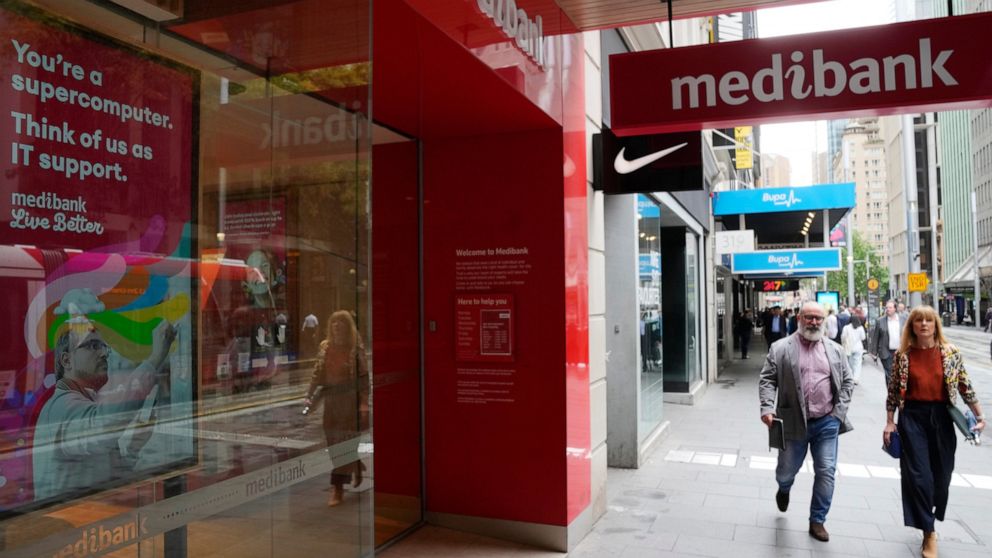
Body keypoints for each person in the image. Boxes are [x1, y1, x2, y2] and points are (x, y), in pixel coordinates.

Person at [33, 317, 176, 501]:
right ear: (67, 360)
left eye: (104, 347)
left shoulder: (84, 404)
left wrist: (134, 447)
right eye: (92, 346)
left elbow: (111, 478)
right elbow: (103, 428)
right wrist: (154, 359)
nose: (104, 354)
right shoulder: (61, 407)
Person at [883, 305, 986, 558]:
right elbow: (894, 391)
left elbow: (965, 385)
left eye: (929, 321)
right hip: (912, 419)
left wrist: (980, 416)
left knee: (942, 476)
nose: (924, 325)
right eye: (919, 321)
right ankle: (928, 532)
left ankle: (930, 515)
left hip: (942, 417)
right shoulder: (903, 355)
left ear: (936, 325)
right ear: (913, 326)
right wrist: (889, 421)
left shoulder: (950, 353)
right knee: (919, 476)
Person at [759, 301, 854, 543]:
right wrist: (767, 408)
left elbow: (847, 383)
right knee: (786, 469)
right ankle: (784, 487)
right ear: (799, 318)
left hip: (827, 422)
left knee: (826, 471)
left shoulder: (835, 350)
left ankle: (817, 520)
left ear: (824, 321)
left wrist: (838, 414)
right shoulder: (781, 348)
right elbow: (768, 379)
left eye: (818, 318)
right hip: (792, 422)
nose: (813, 322)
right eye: (809, 317)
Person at [304, 310, 370, 507]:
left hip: (349, 401)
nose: (337, 326)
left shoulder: (355, 349)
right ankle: (355, 464)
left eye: (341, 322)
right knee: (334, 444)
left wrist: (364, 403)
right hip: (331, 401)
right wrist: (309, 395)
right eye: (334, 323)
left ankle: (337, 488)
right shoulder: (325, 347)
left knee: (345, 443)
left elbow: (364, 378)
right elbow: (317, 374)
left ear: (347, 326)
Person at [870, 301, 907, 384]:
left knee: (900, 373)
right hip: (886, 352)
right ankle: (891, 393)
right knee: (889, 374)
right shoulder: (880, 321)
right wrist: (874, 352)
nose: (887, 309)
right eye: (886, 307)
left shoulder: (903, 320)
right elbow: (876, 337)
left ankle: (899, 392)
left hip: (900, 351)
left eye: (890, 308)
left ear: (895, 309)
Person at [841, 315, 866, 385]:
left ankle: (850, 377)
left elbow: (843, 337)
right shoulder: (860, 328)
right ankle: (856, 378)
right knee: (858, 364)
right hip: (858, 348)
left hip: (849, 347)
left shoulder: (846, 327)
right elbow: (863, 338)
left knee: (849, 363)